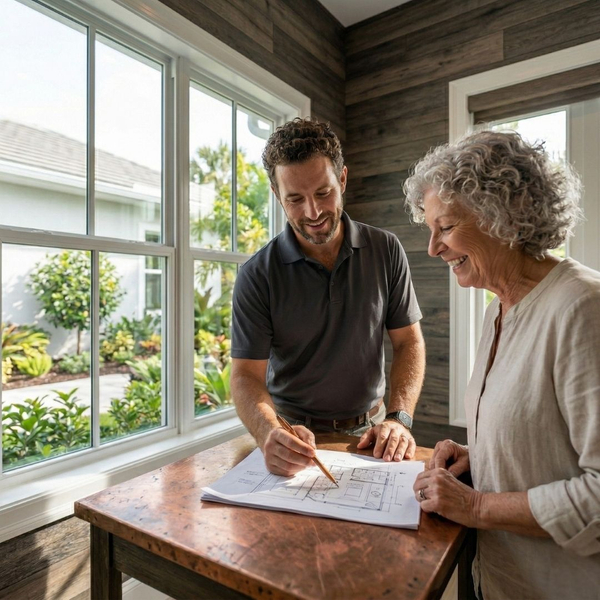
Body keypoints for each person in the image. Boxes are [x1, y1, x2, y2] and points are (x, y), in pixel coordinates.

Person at [404, 130, 600, 599]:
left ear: (502, 217)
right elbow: (543, 440)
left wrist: (476, 506)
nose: (433, 249)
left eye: (446, 227)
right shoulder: (498, 308)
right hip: (496, 578)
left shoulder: (583, 308)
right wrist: (480, 458)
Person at [230, 117, 425, 477]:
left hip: (372, 433)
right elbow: (245, 376)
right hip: (293, 436)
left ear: (343, 179)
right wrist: (268, 431)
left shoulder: (386, 250)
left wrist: (399, 418)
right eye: (295, 199)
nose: (313, 212)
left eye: (323, 193)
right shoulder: (257, 274)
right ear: (276, 195)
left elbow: (409, 342)